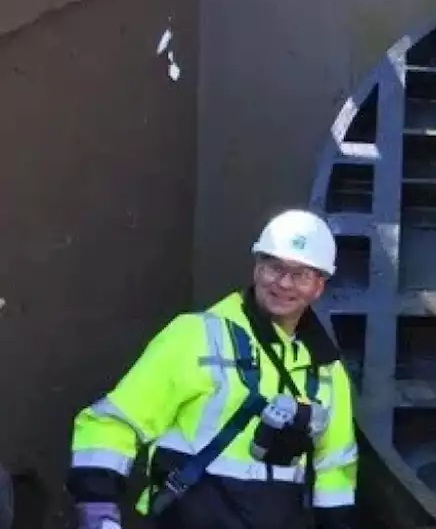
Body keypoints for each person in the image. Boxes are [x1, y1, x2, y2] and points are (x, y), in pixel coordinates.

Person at [65, 210, 358, 529]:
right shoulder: (195, 336)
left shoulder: (327, 371)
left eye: (301, 274)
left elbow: (335, 471)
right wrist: (98, 509)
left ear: (319, 286)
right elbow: (112, 423)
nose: (284, 283)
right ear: (257, 268)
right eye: (275, 267)